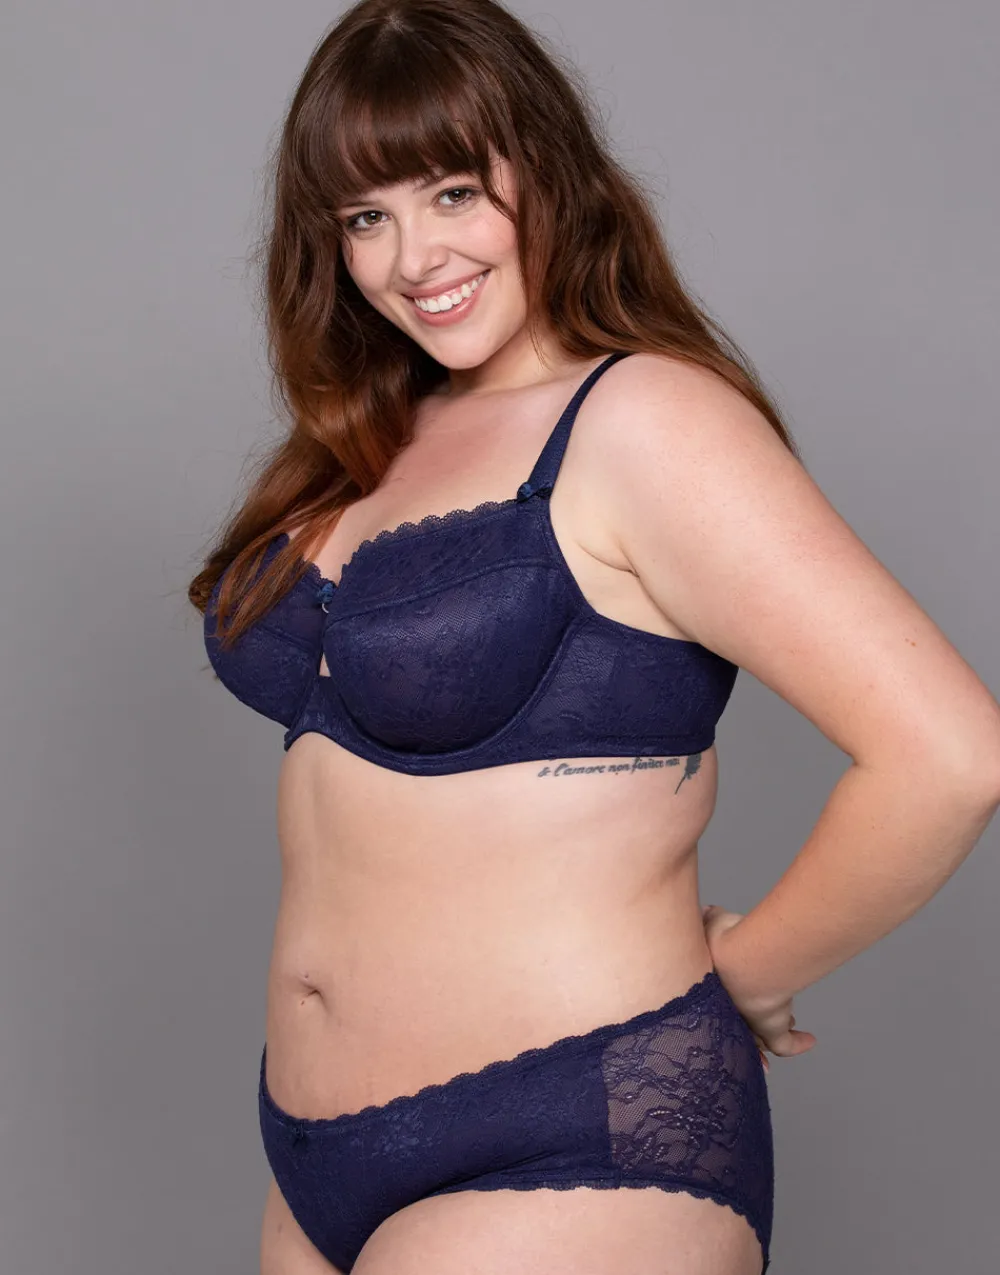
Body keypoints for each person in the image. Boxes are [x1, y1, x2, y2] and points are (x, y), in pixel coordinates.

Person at [189, 1, 1000, 1272]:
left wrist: (750, 970)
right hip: (312, 1165)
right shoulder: (366, 443)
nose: (413, 257)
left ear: (546, 170)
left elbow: (949, 756)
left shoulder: (644, 422)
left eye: (452, 192)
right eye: (364, 218)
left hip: (578, 1129)